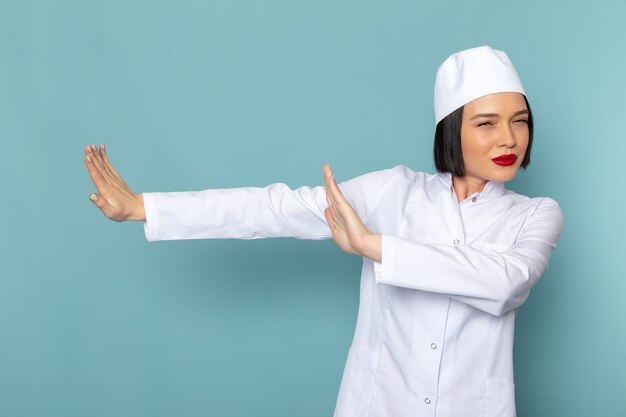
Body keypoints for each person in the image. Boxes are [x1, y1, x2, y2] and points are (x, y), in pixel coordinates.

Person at [83, 46, 563, 417]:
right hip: (378, 403)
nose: (508, 139)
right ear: (451, 130)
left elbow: (506, 282)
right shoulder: (393, 191)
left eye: (520, 122)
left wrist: (373, 247)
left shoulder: (536, 213)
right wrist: (143, 207)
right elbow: (274, 207)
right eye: (487, 123)